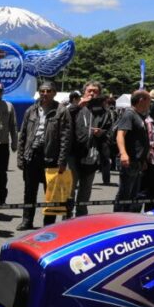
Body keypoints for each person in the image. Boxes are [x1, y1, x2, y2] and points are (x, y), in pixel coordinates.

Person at [16, 81, 71, 230]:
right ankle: (27, 220)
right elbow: (23, 135)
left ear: (54, 93)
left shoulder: (61, 111)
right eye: (42, 91)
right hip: (31, 155)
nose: (45, 94)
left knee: (51, 193)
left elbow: (65, 138)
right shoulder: (31, 110)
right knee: (29, 191)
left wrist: (62, 161)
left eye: (48, 91)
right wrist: (20, 157)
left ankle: (49, 224)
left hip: (51, 157)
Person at [114, 90, 152, 211]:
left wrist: (143, 160)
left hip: (137, 161)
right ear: (141, 100)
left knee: (132, 194)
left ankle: (126, 216)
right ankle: (118, 217)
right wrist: (123, 153)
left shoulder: (139, 115)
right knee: (125, 193)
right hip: (129, 160)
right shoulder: (129, 114)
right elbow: (120, 134)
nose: (150, 103)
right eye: (149, 100)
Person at [68, 81, 101, 216]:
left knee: (85, 191)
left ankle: (81, 218)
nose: (92, 93)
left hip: (92, 155)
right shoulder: (75, 106)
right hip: (73, 154)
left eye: (95, 91)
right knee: (70, 190)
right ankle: (67, 218)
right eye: (89, 90)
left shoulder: (102, 110)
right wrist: (78, 106)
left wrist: (101, 133)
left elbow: (110, 131)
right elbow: (64, 118)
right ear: (84, 92)